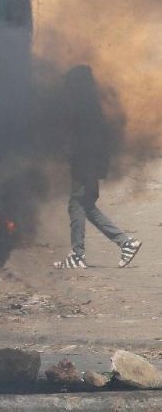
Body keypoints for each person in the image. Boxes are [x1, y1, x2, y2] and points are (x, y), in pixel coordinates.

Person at [56, 65, 141, 269]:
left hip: (85, 164)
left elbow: (87, 141)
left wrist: (79, 162)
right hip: (90, 164)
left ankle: (80, 254)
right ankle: (123, 243)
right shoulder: (92, 105)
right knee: (85, 206)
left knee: (77, 204)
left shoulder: (84, 108)